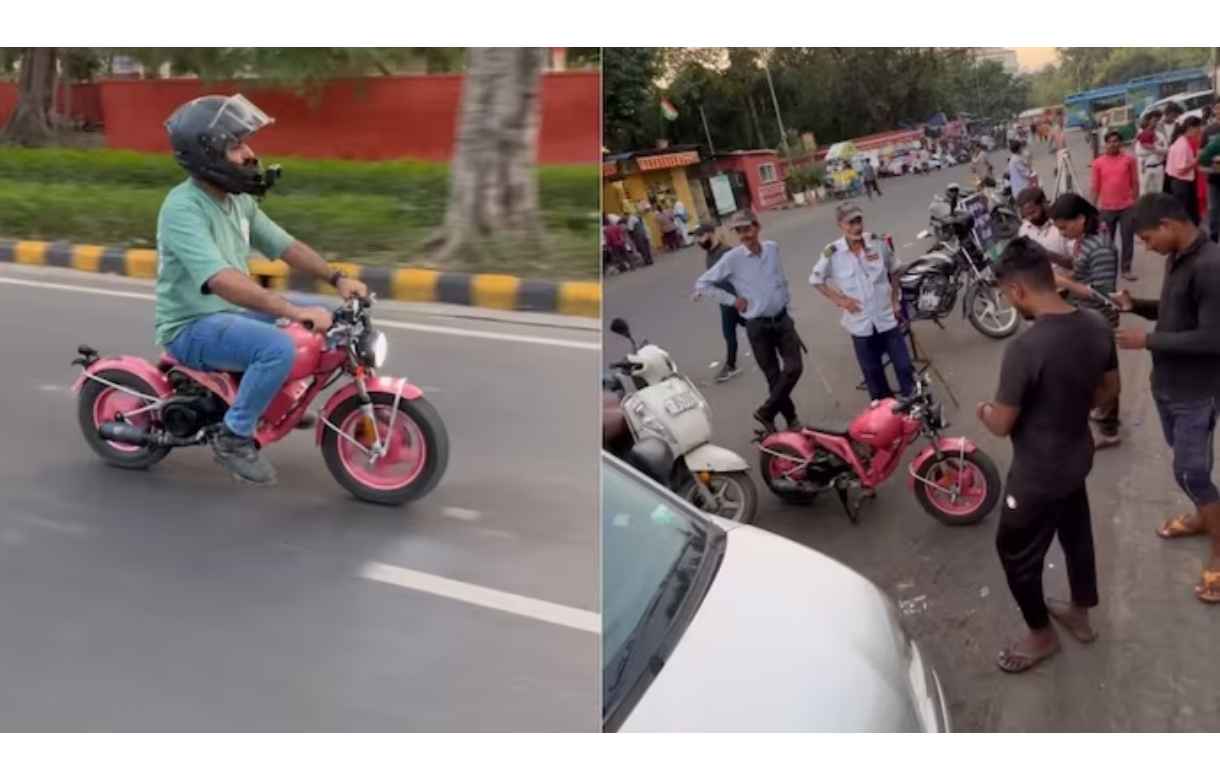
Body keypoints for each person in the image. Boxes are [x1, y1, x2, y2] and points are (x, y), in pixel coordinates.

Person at [157, 94, 368, 485]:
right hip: (192, 325)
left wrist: (337, 278)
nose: (250, 154)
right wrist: (290, 311)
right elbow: (221, 280)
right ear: (207, 156)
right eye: (236, 146)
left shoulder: (237, 202)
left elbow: (285, 246)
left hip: (230, 315)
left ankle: (271, 400)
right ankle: (235, 436)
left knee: (330, 319)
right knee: (277, 347)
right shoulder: (182, 208)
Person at [978, 237, 1120, 673]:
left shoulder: (1025, 348)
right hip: (1077, 457)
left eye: (1007, 294)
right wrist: (1070, 408)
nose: (1010, 301)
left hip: (1038, 474)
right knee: (1076, 535)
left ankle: (1040, 635)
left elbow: (1002, 423)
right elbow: (1110, 391)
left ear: (1018, 291)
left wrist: (983, 410)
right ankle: (1080, 613)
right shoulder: (1096, 323)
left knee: (1014, 551)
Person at [1112, 193, 1220, 604]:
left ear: (1169, 226)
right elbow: (1177, 313)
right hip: (1169, 385)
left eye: (1146, 238)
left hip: (1196, 392)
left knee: (1191, 471)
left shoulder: (1211, 266)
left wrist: (1148, 340)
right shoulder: (1180, 256)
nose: (1145, 247)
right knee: (1189, 466)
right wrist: (1136, 305)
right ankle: (1202, 516)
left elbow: (1213, 338)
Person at [694, 210, 804, 431]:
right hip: (758, 326)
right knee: (773, 376)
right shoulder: (732, 259)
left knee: (794, 368)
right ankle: (791, 420)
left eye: (747, 228)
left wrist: (787, 307)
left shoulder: (772, 249)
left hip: (782, 320)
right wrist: (732, 300)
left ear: (757, 227)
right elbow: (703, 284)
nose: (744, 234)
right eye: (739, 231)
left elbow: (779, 280)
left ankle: (766, 411)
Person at [811, 203, 914, 401]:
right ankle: (887, 414)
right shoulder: (832, 253)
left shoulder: (877, 242)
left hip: (886, 318)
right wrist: (841, 301)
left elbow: (895, 270)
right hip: (860, 325)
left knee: (903, 367)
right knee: (874, 376)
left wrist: (895, 301)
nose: (857, 227)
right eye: (851, 223)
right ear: (841, 224)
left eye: (859, 221)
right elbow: (816, 280)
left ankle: (914, 408)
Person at [1050, 193, 1122, 449]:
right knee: (1094, 374)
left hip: (1099, 321)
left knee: (1103, 375)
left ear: (1080, 218)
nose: (1062, 233)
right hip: (1087, 317)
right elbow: (1081, 270)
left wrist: (1064, 283)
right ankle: (1102, 416)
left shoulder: (1100, 247)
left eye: (1064, 227)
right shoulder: (1085, 241)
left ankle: (1109, 430)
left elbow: (1106, 295)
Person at [693, 223, 745, 383]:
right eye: (696, 238)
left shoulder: (726, 252)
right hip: (726, 300)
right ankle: (731, 364)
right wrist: (700, 290)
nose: (698, 241)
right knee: (738, 330)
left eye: (700, 236)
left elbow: (741, 273)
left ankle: (731, 365)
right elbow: (712, 277)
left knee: (735, 332)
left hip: (735, 299)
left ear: (711, 234)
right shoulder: (710, 254)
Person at [1092, 130, 1140, 281]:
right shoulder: (1098, 162)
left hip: (1127, 207)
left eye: (1116, 141)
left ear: (1120, 143)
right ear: (1105, 143)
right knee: (1107, 242)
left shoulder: (1129, 160)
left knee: (1128, 239)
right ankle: (1108, 269)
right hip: (1106, 209)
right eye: (1110, 141)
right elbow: (1095, 187)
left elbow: (1135, 182)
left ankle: (1126, 269)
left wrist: (1136, 203)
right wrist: (1092, 208)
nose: (1113, 144)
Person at [1016, 187, 1074, 270]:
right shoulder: (1024, 229)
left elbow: (1077, 265)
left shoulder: (1064, 223)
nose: (1030, 218)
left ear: (1044, 203)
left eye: (1033, 212)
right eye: (1026, 216)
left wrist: (1048, 254)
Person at [1166, 116, 1203, 224]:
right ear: (1191, 128)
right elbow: (1180, 169)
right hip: (1182, 184)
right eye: (1198, 128)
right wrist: (1196, 161)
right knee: (1187, 215)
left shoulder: (1181, 141)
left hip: (1181, 183)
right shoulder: (1182, 145)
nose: (1199, 131)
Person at [1198, 118, 1220, 242]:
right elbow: (1201, 160)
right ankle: (1214, 237)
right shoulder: (1209, 131)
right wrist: (1214, 168)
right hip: (1214, 180)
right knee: (1214, 210)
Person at [1135, 111, 1166, 196]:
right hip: (1145, 168)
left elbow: (1165, 150)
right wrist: (1155, 149)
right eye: (1154, 120)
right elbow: (1139, 152)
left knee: (1159, 192)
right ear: (1148, 121)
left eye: (1157, 120)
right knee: (1144, 192)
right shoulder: (1141, 134)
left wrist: (1153, 148)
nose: (1155, 123)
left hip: (1158, 166)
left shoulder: (1160, 135)